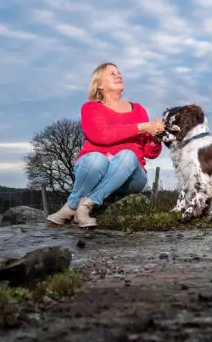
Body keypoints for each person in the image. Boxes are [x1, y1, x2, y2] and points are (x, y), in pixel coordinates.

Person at [47, 62, 165, 228]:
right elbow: (102, 135)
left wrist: (154, 137)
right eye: (112, 73)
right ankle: (76, 207)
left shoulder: (138, 110)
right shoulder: (90, 108)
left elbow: (149, 152)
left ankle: (82, 205)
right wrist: (143, 127)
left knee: (127, 155)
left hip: (131, 175)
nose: (119, 75)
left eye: (119, 72)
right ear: (99, 84)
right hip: (94, 169)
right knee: (96, 159)